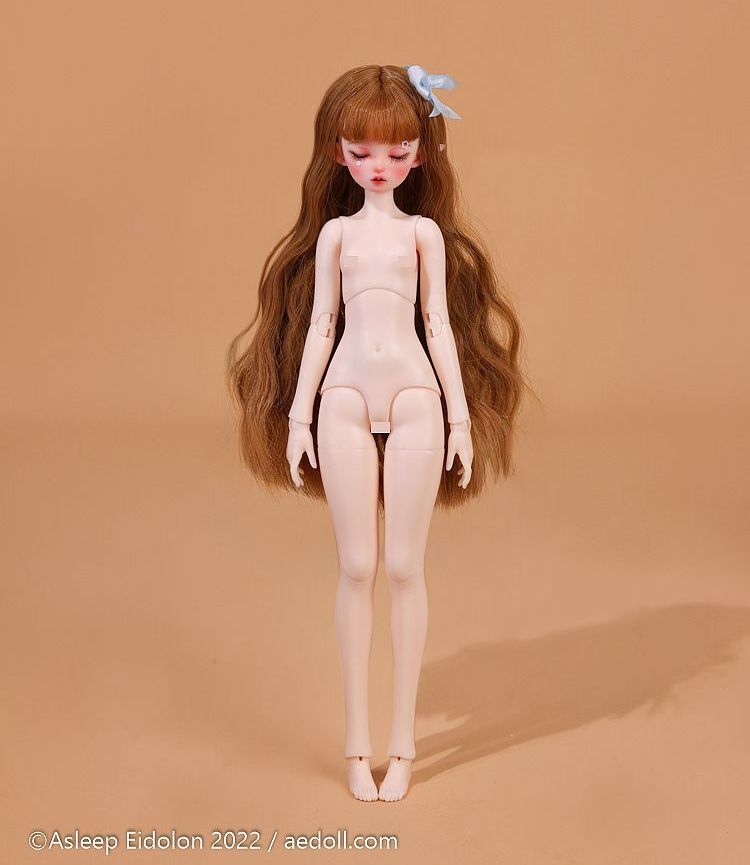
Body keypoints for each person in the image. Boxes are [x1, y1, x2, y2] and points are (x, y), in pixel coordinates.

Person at [226, 63, 531, 801]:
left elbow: (438, 324)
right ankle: (358, 746)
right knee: (357, 565)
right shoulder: (336, 235)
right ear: (338, 152)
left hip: (418, 394)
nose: (379, 165)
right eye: (362, 151)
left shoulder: (423, 234)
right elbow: (322, 323)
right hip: (342, 396)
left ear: (421, 154)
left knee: (403, 566)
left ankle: (404, 744)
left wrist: (460, 418)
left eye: (397, 151)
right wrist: (299, 415)